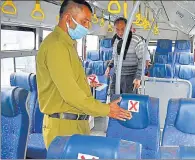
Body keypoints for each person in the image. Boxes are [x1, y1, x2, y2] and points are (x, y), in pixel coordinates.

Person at [36, 0, 131, 149]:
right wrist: (107, 109)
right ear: (68, 18)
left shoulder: (68, 45)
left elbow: (68, 81)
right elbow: (71, 95)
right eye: (84, 21)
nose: (87, 27)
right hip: (64, 127)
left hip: (75, 123)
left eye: (88, 22)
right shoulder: (56, 46)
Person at [105, 17, 149, 95]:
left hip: (131, 76)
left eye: (123, 29)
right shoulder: (115, 40)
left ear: (129, 28)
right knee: (114, 98)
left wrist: (138, 78)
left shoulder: (137, 40)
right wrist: (109, 67)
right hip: (117, 75)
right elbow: (115, 56)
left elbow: (142, 59)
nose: (120, 32)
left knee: (129, 102)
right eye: (117, 29)